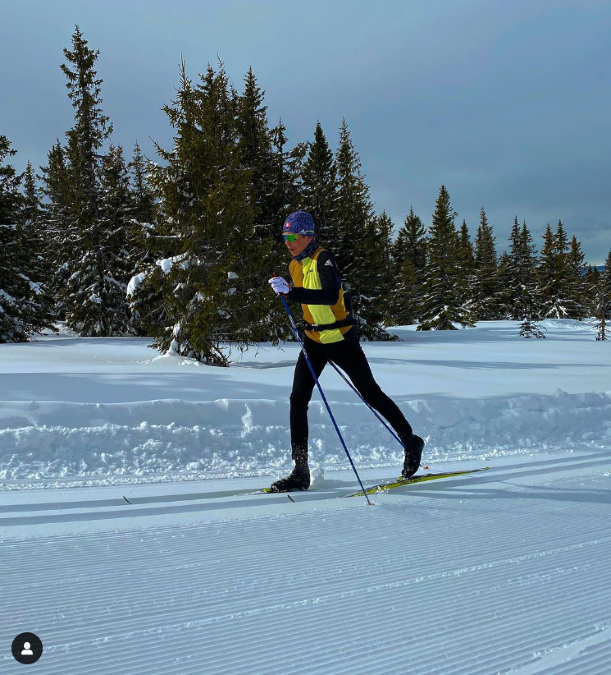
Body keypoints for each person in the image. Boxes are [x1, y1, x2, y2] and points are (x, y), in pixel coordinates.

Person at [268, 210, 424, 492]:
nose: (288, 242)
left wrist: (292, 293)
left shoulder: (324, 259)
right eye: (284, 237)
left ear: (308, 236)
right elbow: (306, 301)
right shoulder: (294, 265)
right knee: (297, 399)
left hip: (340, 338)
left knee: (371, 393)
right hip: (313, 340)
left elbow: (329, 295)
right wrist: (286, 291)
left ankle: (410, 440)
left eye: (292, 237)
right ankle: (300, 470)